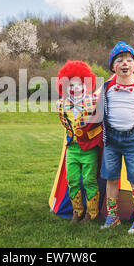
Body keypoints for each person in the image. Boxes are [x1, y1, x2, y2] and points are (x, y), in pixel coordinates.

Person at [100, 41, 134, 233]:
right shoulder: (106, 88)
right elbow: (100, 112)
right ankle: (112, 216)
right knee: (111, 178)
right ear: (113, 66)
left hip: (133, 140)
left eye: (129, 60)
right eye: (119, 60)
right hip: (111, 140)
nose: (124, 63)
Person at [55, 61, 103, 223]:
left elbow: (100, 123)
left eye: (80, 84)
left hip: (89, 149)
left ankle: (92, 213)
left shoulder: (93, 102)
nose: (75, 88)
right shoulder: (61, 105)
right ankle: (77, 211)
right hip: (72, 150)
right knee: (73, 180)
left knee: (89, 180)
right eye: (71, 85)